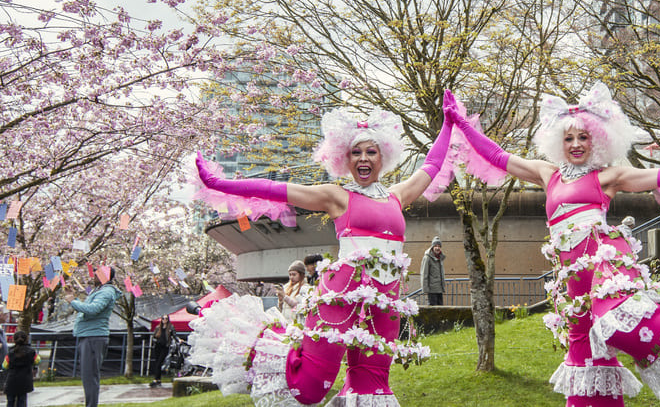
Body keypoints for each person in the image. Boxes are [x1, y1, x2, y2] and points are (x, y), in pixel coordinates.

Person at [444, 85, 660, 407]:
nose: (576, 144)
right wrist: (460, 123)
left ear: (597, 141)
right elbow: (496, 155)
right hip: (574, 290)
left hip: (603, 275)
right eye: (569, 138)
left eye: (584, 137)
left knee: (632, 330)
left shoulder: (608, 177)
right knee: (584, 365)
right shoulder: (546, 174)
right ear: (558, 143)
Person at [187, 107, 453, 407]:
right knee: (310, 387)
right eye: (355, 153)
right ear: (345, 159)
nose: (363, 158)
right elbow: (275, 189)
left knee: (373, 385)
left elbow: (432, 164)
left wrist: (449, 122)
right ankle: (259, 341)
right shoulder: (336, 196)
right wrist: (219, 184)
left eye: (370, 152)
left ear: (383, 157)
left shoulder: (398, 195)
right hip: (340, 296)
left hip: (385, 301)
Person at [65, 269, 121, 407]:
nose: (93, 276)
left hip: (93, 337)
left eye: (96, 274)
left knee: (90, 376)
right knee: (87, 376)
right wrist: (74, 298)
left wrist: (73, 302)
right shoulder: (99, 290)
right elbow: (88, 309)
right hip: (89, 335)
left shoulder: (106, 292)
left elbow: (93, 309)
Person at [3, 330, 38, 407]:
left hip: (12, 380)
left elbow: (4, 365)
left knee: (10, 401)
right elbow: (37, 360)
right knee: (21, 400)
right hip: (25, 380)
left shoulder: (11, 352)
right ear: (26, 339)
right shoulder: (31, 351)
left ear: (13, 340)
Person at [148, 315, 175, 388]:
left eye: (166, 319)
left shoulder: (170, 328)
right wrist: (155, 342)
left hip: (165, 347)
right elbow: (154, 336)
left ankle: (155, 380)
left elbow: (174, 336)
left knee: (159, 362)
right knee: (157, 363)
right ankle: (158, 379)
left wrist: (178, 340)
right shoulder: (158, 328)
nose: (164, 320)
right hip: (157, 347)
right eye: (163, 318)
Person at [420, 237, 446, 306]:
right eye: (435, 246)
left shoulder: (440, 257)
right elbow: (424, 274)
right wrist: (425, 289)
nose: (437, 248)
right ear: (432, 247)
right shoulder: (427, 257)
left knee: (441, 310)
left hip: (439, 289)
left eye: (439, 246)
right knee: (433, 310)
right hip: (432, 290)